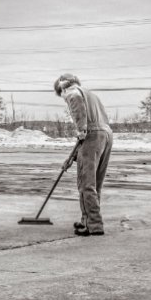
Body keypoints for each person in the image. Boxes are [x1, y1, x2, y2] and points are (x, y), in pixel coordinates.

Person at [53, 73, 113, 236]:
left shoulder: (72, 92)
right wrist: (72, 158)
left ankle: (94, 225)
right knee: (94, 183)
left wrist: (81, 129)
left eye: (60, 92)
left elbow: (84, 128)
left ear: (62, 86)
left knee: (86, 183)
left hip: (93, 134)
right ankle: (87, 219)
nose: (62, 95)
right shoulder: (90, 93)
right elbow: (88, 133)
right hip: (105, 134)